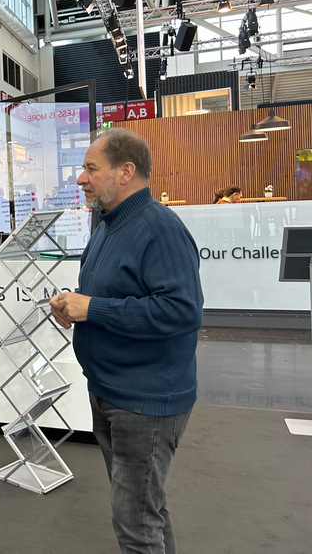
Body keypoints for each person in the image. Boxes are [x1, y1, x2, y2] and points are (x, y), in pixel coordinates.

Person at [49, 128, 203, 554]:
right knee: (146, 512)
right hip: (111, 394)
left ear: (126, 172)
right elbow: (114, 295)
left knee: (136, 525)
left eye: (91, 168)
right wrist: (73, 307)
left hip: (144, 403)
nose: (81, 178)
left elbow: (182, 311)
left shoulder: (159, 228)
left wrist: (92, 309)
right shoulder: (108, 224)